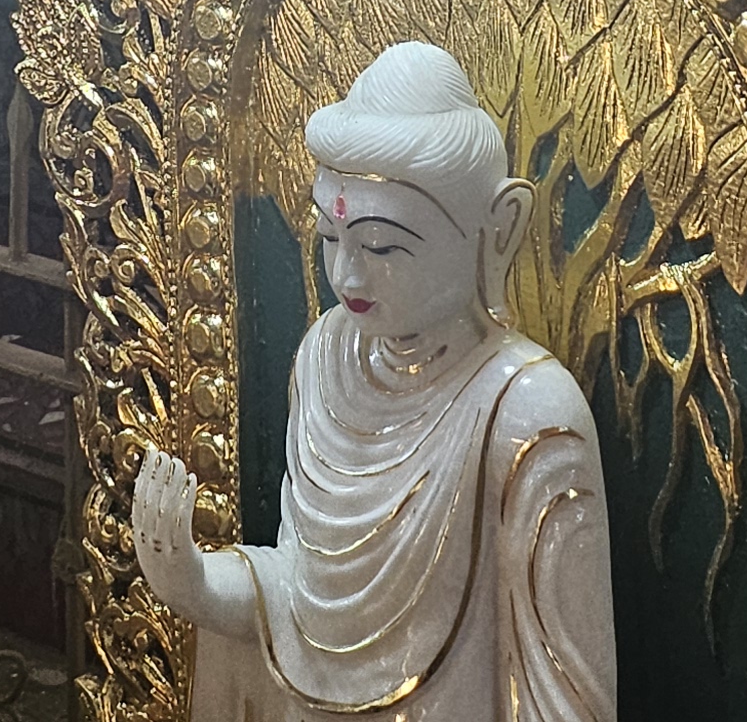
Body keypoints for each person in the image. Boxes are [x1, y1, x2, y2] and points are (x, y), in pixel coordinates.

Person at [135, 43, 612, 722]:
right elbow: (300, 601)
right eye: (331, 237)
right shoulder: (324, 357)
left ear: (498, 227)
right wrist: (194, 583)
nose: (347, 275)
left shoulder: (528, 412)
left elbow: (563, 697)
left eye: (382, 246)